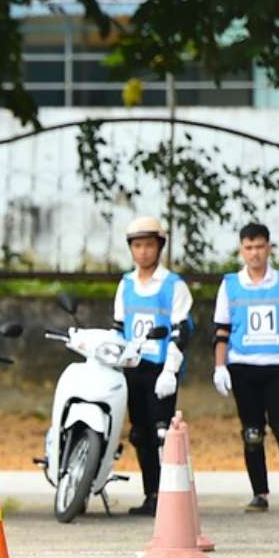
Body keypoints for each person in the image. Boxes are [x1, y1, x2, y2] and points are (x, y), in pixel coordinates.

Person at [212, 223, 279, 513]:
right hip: (243, 366)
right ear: (241, 250)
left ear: (269, 248)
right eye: (248, 247)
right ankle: (260, 493)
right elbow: (222, 329)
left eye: (259, 247)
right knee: (252, 432)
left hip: (278, 365)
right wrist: (220, 366)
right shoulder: (231, 284)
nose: (254, 253)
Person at [112, 216, 194, 517]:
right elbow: (119, 327)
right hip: (133, 368)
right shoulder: (126, 284)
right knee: (140, 434)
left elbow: (181, 330)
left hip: (160, 370)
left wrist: (171, 370)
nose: (143, 251)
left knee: (163, 434)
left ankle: (173, 498)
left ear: (159, 246)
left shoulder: (174, 285)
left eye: (148, 245)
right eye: (137, 245)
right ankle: (152, 495)